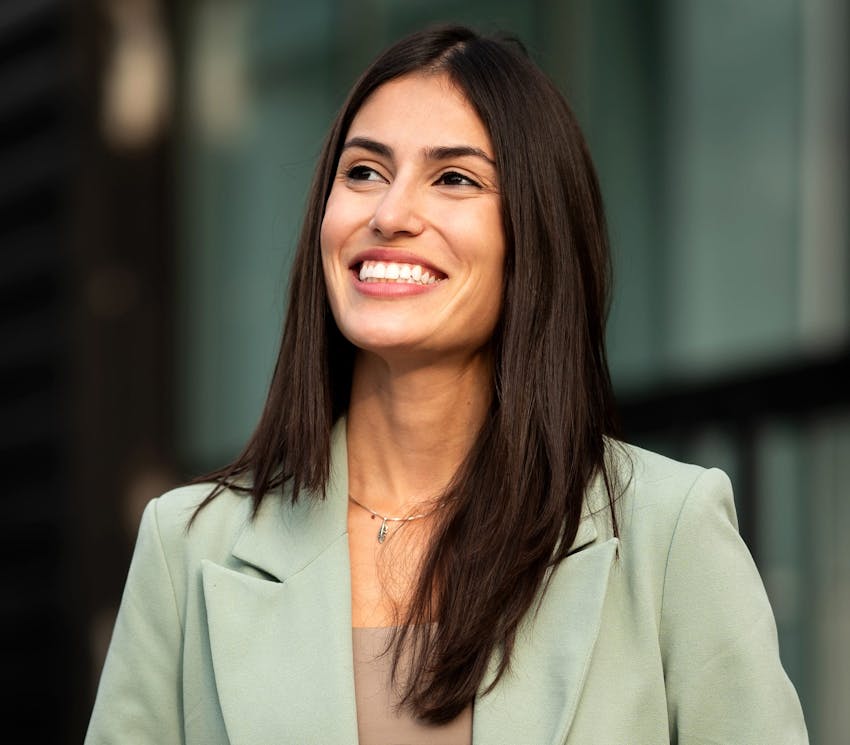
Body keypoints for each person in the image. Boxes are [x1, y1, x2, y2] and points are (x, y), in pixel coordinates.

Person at [85, 25, 808, 745]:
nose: (390, 214)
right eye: (363, 171)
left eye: (454, 178)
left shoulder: (668, 531)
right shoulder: (187, 546)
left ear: (534, 233)